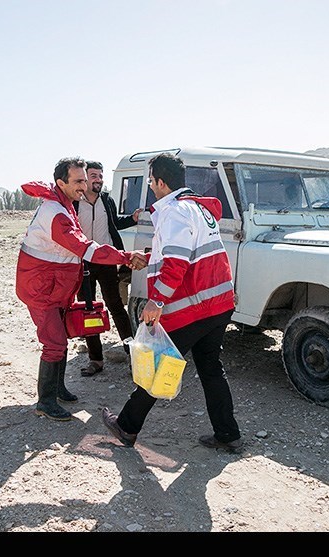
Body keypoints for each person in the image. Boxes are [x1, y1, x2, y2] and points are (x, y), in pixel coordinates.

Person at [102, 152, 244, 453]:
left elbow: (177, 262)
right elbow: (188, 252)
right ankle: (228, 435)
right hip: (217, 304)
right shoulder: (198, 209)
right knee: (210, 368)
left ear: (162, 182)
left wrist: (156, 299)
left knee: (158, 363)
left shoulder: (174, 212)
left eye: (152, 181)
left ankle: (126, 427)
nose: (151, 186)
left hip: (192, 308)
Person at [15, 157, 146, 422]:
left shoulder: (65, 204)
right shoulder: (56, 213)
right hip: (41, 289)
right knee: (54, 342)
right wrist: (125, 256)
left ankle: (58, 388)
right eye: (78, 181)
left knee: (60, 339)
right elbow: (86, 248)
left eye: (84, 180)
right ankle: (46, 401)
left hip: (55, 286)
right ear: (60, 182)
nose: (83, 185)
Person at [73, 160, 142, 377]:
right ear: (85, 179)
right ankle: (96, 359)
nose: (98, 180)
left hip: (106, 261)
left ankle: (132, 354)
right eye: (93, 176)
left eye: (100, 176)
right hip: (82, 263)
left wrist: (132, 218)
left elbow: (114, 224)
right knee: (88, 310)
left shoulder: (107, 200)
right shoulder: (74, 203)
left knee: (117, 308)